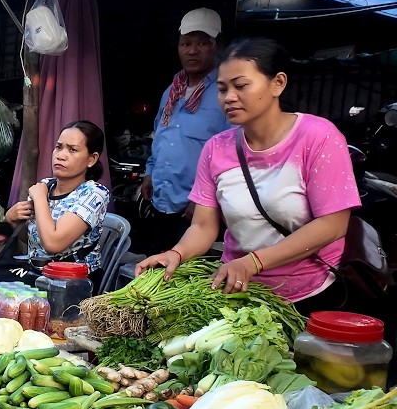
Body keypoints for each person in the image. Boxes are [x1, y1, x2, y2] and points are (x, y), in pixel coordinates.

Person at [136, 38, 362, 313]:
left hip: (310, 294)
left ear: (278, 83)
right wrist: (176, 253)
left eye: (241, 86)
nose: (229, 97)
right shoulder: (217, 148)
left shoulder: (318, 137)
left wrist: (252, 262)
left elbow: (333, 225)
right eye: (222, 89)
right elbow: (204, 226)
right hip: (239, 292)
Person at [140, 8, 231, 254]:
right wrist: (150, 172)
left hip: (198, 210)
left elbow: (232, 154)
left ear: (218, 45)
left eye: (203, 43)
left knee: (190, 279)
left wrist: (205, 199)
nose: (192, 51)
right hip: (162, 201)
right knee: (157, 271)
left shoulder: (226, 93)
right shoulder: (172, 90)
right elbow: (160, 135)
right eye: (186, 43)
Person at [0, 120, 110, 282]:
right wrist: (13, 220)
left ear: (91, 159)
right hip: (37, 275)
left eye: (72, 150)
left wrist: (40, 199)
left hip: (73, 284)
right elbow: (38, 239)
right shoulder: (45, 186)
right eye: (58, 147)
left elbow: (53, 244)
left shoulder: (94, 194)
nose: (61, 155)